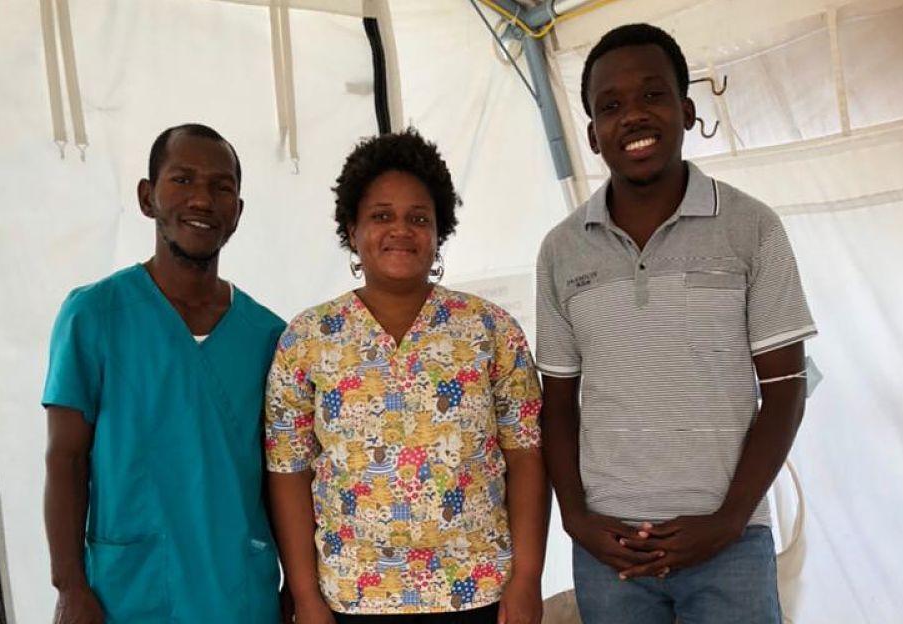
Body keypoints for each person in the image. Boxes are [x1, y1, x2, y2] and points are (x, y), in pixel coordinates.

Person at [536, 24, 817, 624]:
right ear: (591, 134)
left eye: (653, 95)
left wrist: (728, 519)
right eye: (610, 106)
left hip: (729, 544)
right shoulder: (562, 251)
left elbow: (786, 389)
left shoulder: (751, 228)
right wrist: (577, 518)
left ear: (686, 110)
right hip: (611, 551)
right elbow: (557, 402)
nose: (632, 116)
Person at [265, 129, 547, 624]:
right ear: (351, 230)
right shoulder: (307, 339)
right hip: (353, 595)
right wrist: (306, 595)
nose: (401, 229)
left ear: (439, 233)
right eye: (381, 216)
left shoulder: (489, 329)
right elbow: (288, 471)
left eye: (419, 218)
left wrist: (527, 579)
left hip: (478, 591)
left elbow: (525, 455)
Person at [42, 123, 287, 623]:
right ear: (147, 197)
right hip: (130, 592)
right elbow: (65, 460)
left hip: (239, 592)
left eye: (222, 187)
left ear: (237, 212)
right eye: (183, 180)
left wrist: (298, 590)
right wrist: (70, 585)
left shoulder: (269, 336)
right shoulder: (94, 315)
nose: (202, 199)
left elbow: (281, 477)